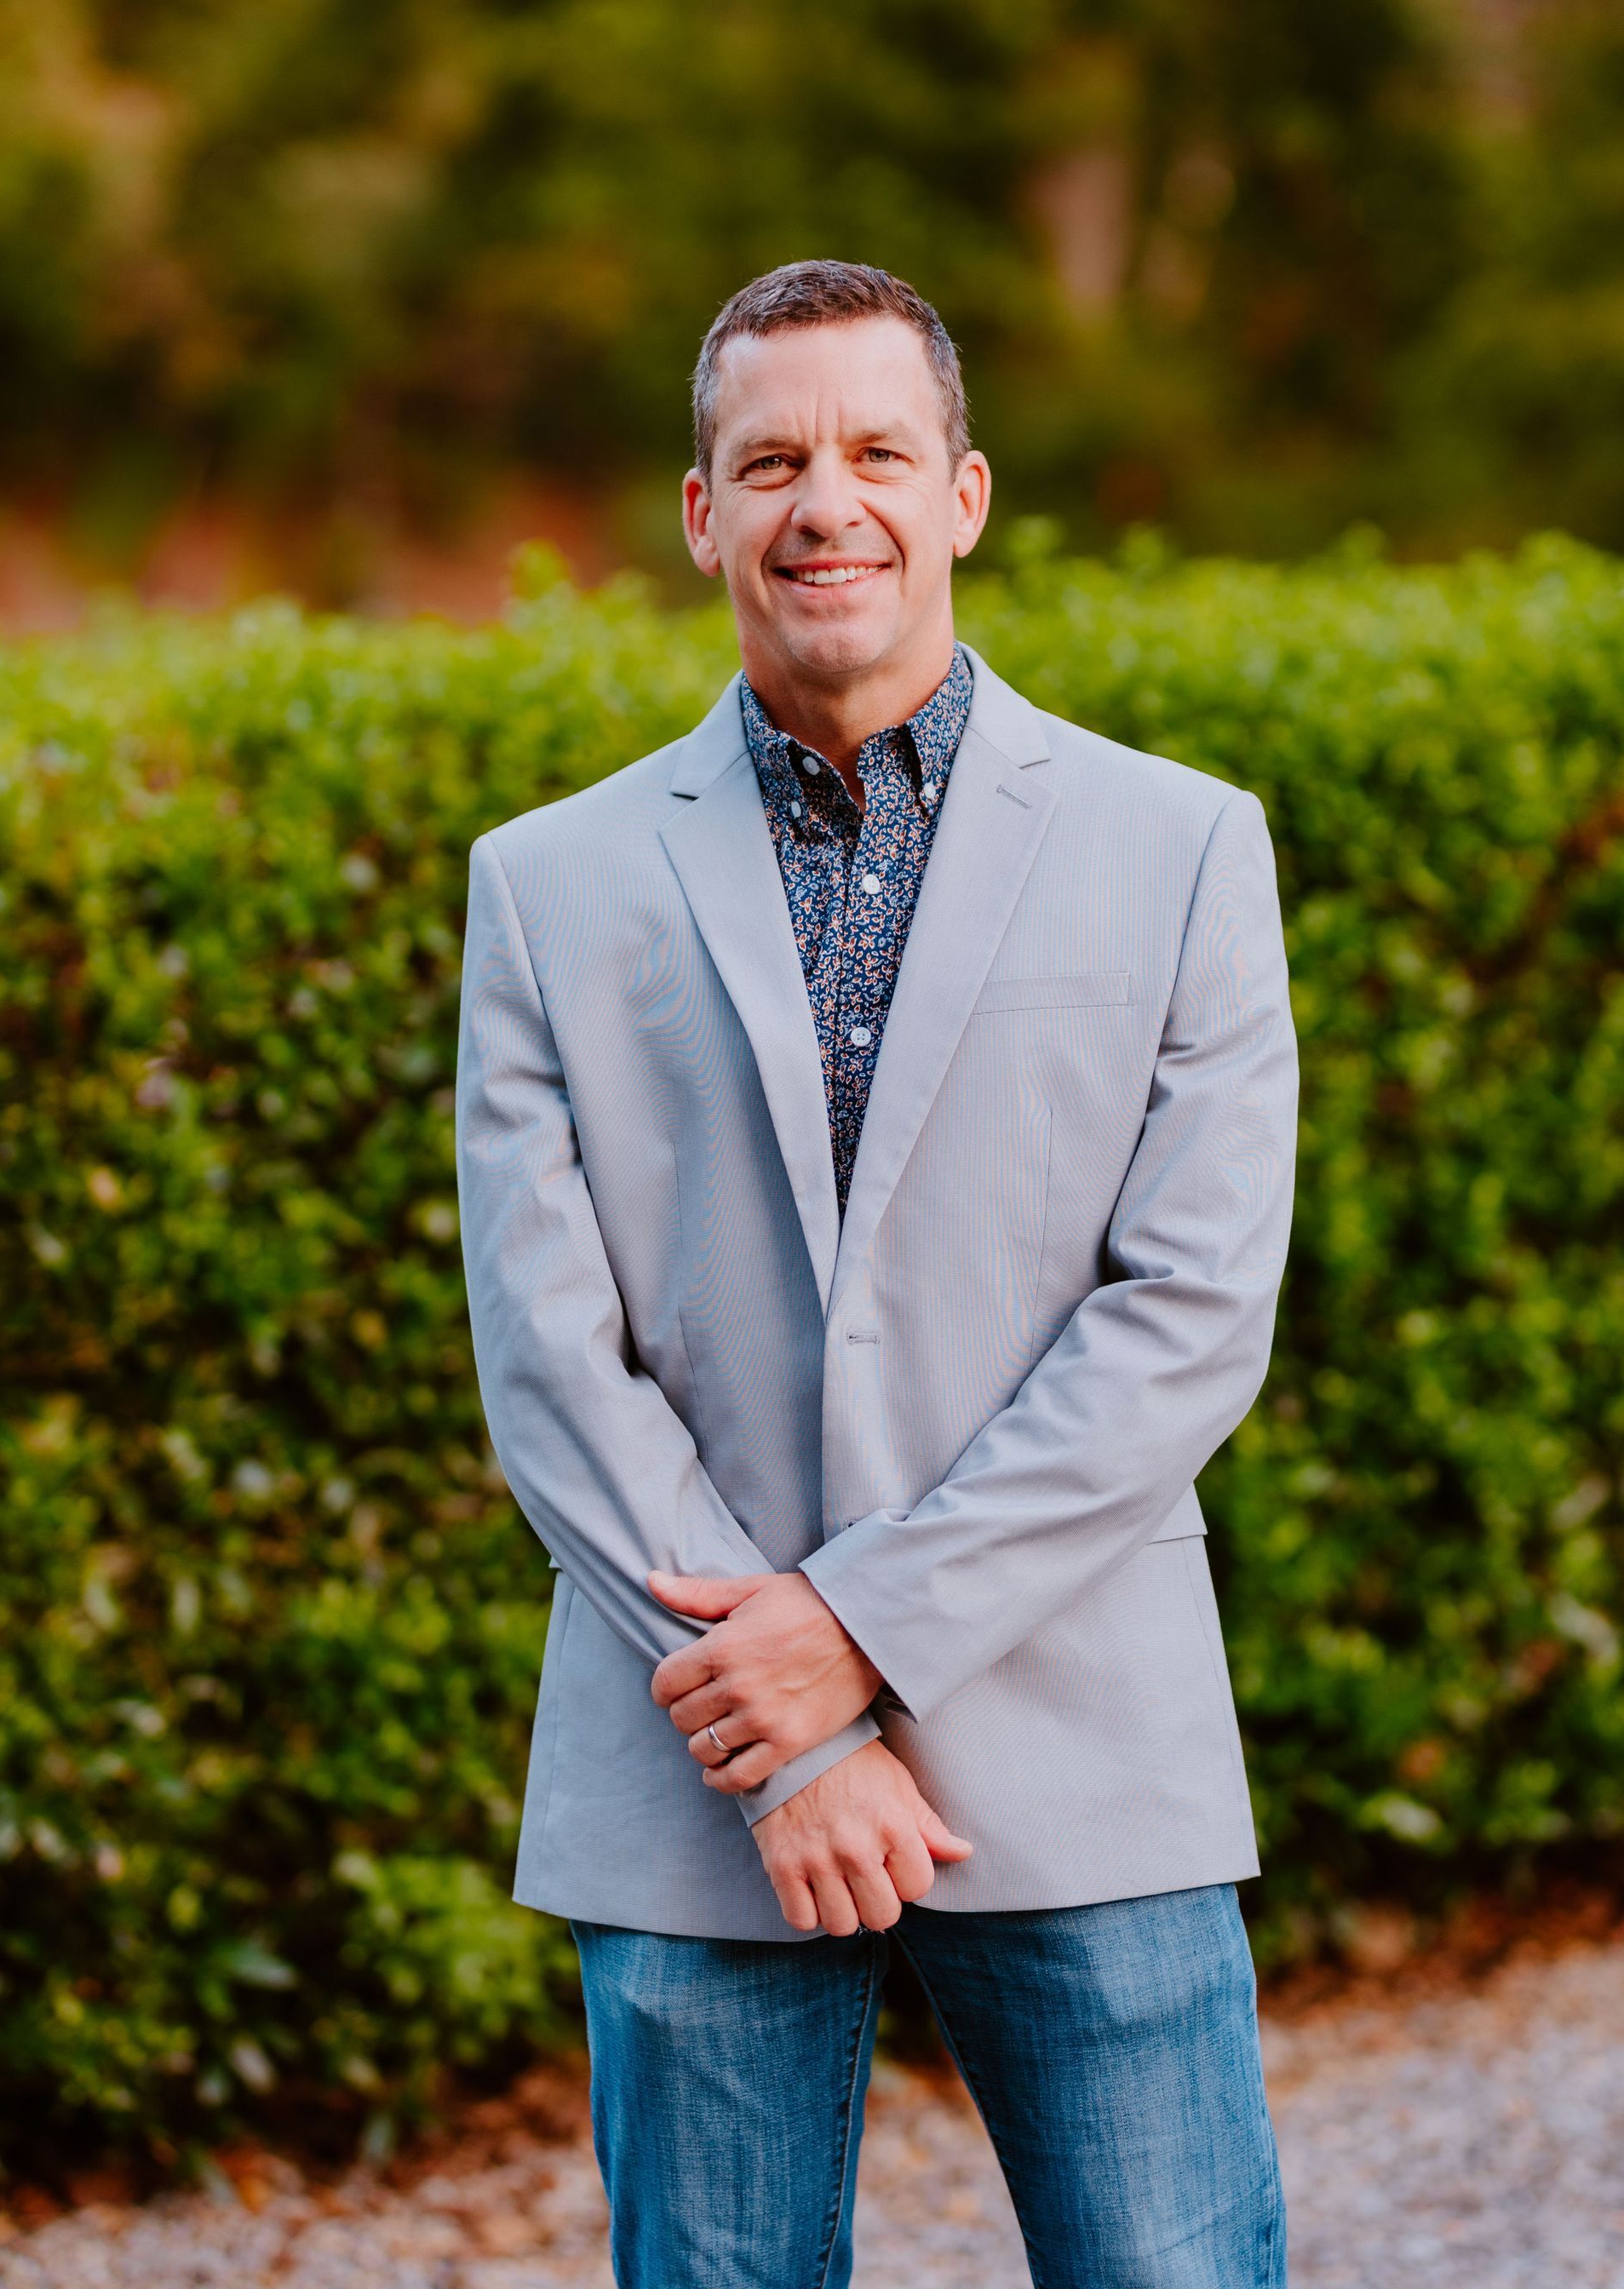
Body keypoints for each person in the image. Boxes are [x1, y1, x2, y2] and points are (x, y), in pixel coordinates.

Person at [455, 258, 1297, 2289]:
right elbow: (550, 1357)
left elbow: (1186, 1321)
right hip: (703, 1765)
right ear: (702, 513)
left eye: (875, 452)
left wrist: (859, 1633)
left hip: (1084, 1733)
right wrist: (797, 1730)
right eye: (773, 460)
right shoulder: (547, 883)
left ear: (966, 493)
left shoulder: (1181, 846)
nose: (827, 500)